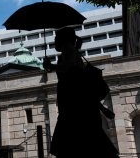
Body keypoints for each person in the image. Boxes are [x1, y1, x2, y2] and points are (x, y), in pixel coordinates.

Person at [43, 27, 119, 158]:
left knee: (75, 141)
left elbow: (70, 67)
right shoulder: (71, 51)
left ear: (63, 39)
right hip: (78, 104)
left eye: (55, 38)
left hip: (73, 106)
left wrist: (52, 66)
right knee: (89, 139)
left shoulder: (67, 48)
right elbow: (83, 89)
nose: (54, 42)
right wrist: (101, 108)